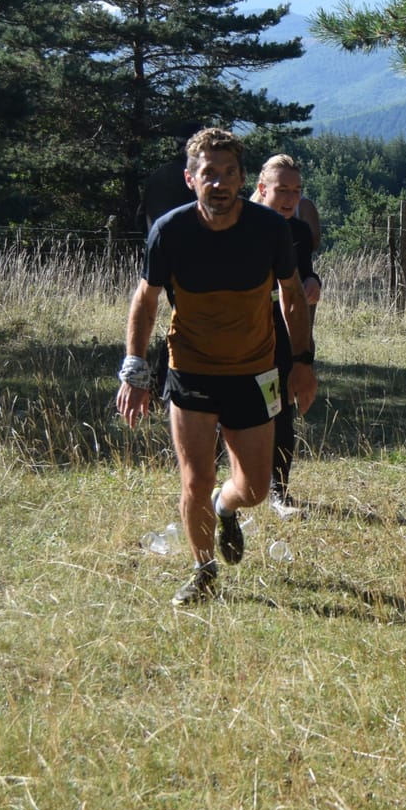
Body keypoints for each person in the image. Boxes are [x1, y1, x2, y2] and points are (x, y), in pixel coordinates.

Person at [116, 128, 318, 606]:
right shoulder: (170, 231)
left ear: (242, 179)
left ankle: (225, 510)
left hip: (255, 372)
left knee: (251, 486)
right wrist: (135, 370)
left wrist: (302, 364)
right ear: (192, 179)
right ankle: (203, 570)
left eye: (229, 173)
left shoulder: (270, 230)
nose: (220, 183)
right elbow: (145, 303)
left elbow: (292, 298)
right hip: (191, 370)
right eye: (210, 174)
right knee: (195, 477)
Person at [253, 154, 321, 518]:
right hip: (241, 337)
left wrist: (313, 282)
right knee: (230, 413)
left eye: (296, 190)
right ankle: (221, 489)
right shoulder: (240, 225)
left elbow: (307, 273)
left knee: (280, 413)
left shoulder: (297, 232)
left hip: (282, 335)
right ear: (263, 189)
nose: (291, 198)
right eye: (282, 189)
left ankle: (280, 493)